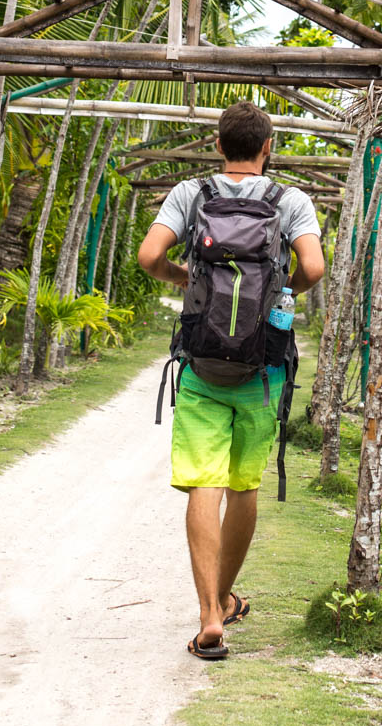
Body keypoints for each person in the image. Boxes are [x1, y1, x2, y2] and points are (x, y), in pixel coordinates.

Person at [137, 100, 325, 660]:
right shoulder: (291, 200)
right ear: (268, 148)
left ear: (219, 146)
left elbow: (149, 256)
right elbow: (312, 268)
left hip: (202, 360)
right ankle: (222, 596)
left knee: (203, 483)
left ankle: (208, 614)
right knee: (243, 486)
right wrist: (280, 294)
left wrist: (184, 275)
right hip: (262, 366)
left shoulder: (191, 194)